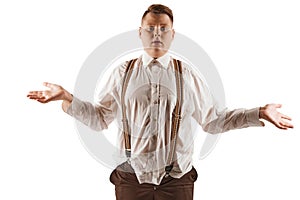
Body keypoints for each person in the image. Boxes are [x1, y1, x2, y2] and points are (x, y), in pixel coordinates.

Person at [27, 4, 293, 200]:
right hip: (131, 180)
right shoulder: (122, 73)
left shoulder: (187, 75)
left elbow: (213, 121)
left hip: (176, 183)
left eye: (163, 29)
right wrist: (66, 98)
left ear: (172, 35)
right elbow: (99, 119)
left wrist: (258, 112)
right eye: (150, 29)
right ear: (140, 33)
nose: (156, 34)